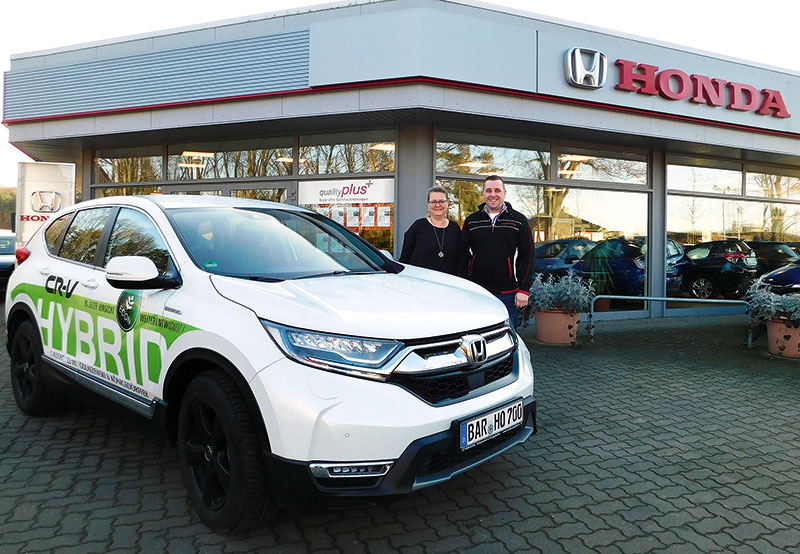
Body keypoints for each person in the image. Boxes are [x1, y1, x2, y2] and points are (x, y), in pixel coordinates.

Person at [458, 175, 534, 329]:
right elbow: (462, 255)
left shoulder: (519, 221)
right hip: (477, 291)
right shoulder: (472, 221)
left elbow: (528, 255)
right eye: (488, 190)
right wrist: (463, 286)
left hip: (508, 293)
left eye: (497, 190)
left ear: (504, 193)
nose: (493, 194)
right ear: (483, 194)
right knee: (477, 332)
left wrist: (524, 289)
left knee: (508, 335)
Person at [398, 186, 461, 275]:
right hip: (420, 282)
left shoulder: (455, 229)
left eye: (442, 201)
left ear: (448, 203)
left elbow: (460, 259)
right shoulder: (418, 226)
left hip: (448, 283)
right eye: (433, 202)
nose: (438, 205)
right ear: (428, 204)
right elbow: (405, 259)